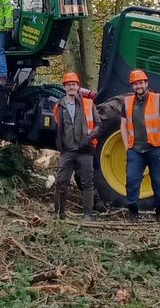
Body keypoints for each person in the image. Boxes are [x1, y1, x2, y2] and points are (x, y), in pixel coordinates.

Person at [118, 69, 160, 218]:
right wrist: (127, 146)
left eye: (141, 83)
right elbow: (123, 126)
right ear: (132, 86)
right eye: (135, 84)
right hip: (135, 150)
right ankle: (133, 213)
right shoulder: (127, 102)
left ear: (146, 83)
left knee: (157, 181)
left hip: (154, 148)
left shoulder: (158, 100)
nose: (138, 86)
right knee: (132, 181)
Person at [51, 72, 100, 219]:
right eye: (68, 85)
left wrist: (89, 138)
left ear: (78, 87)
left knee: (87, 183)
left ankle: (87, 215)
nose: (71, 87)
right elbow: (58, 126)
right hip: (67, 150)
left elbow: (98, 124)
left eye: (74, 84)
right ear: (64, 87)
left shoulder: (88, 103)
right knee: (61, 182)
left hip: (85, 150)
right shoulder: (58, 106)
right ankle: (59, 213)